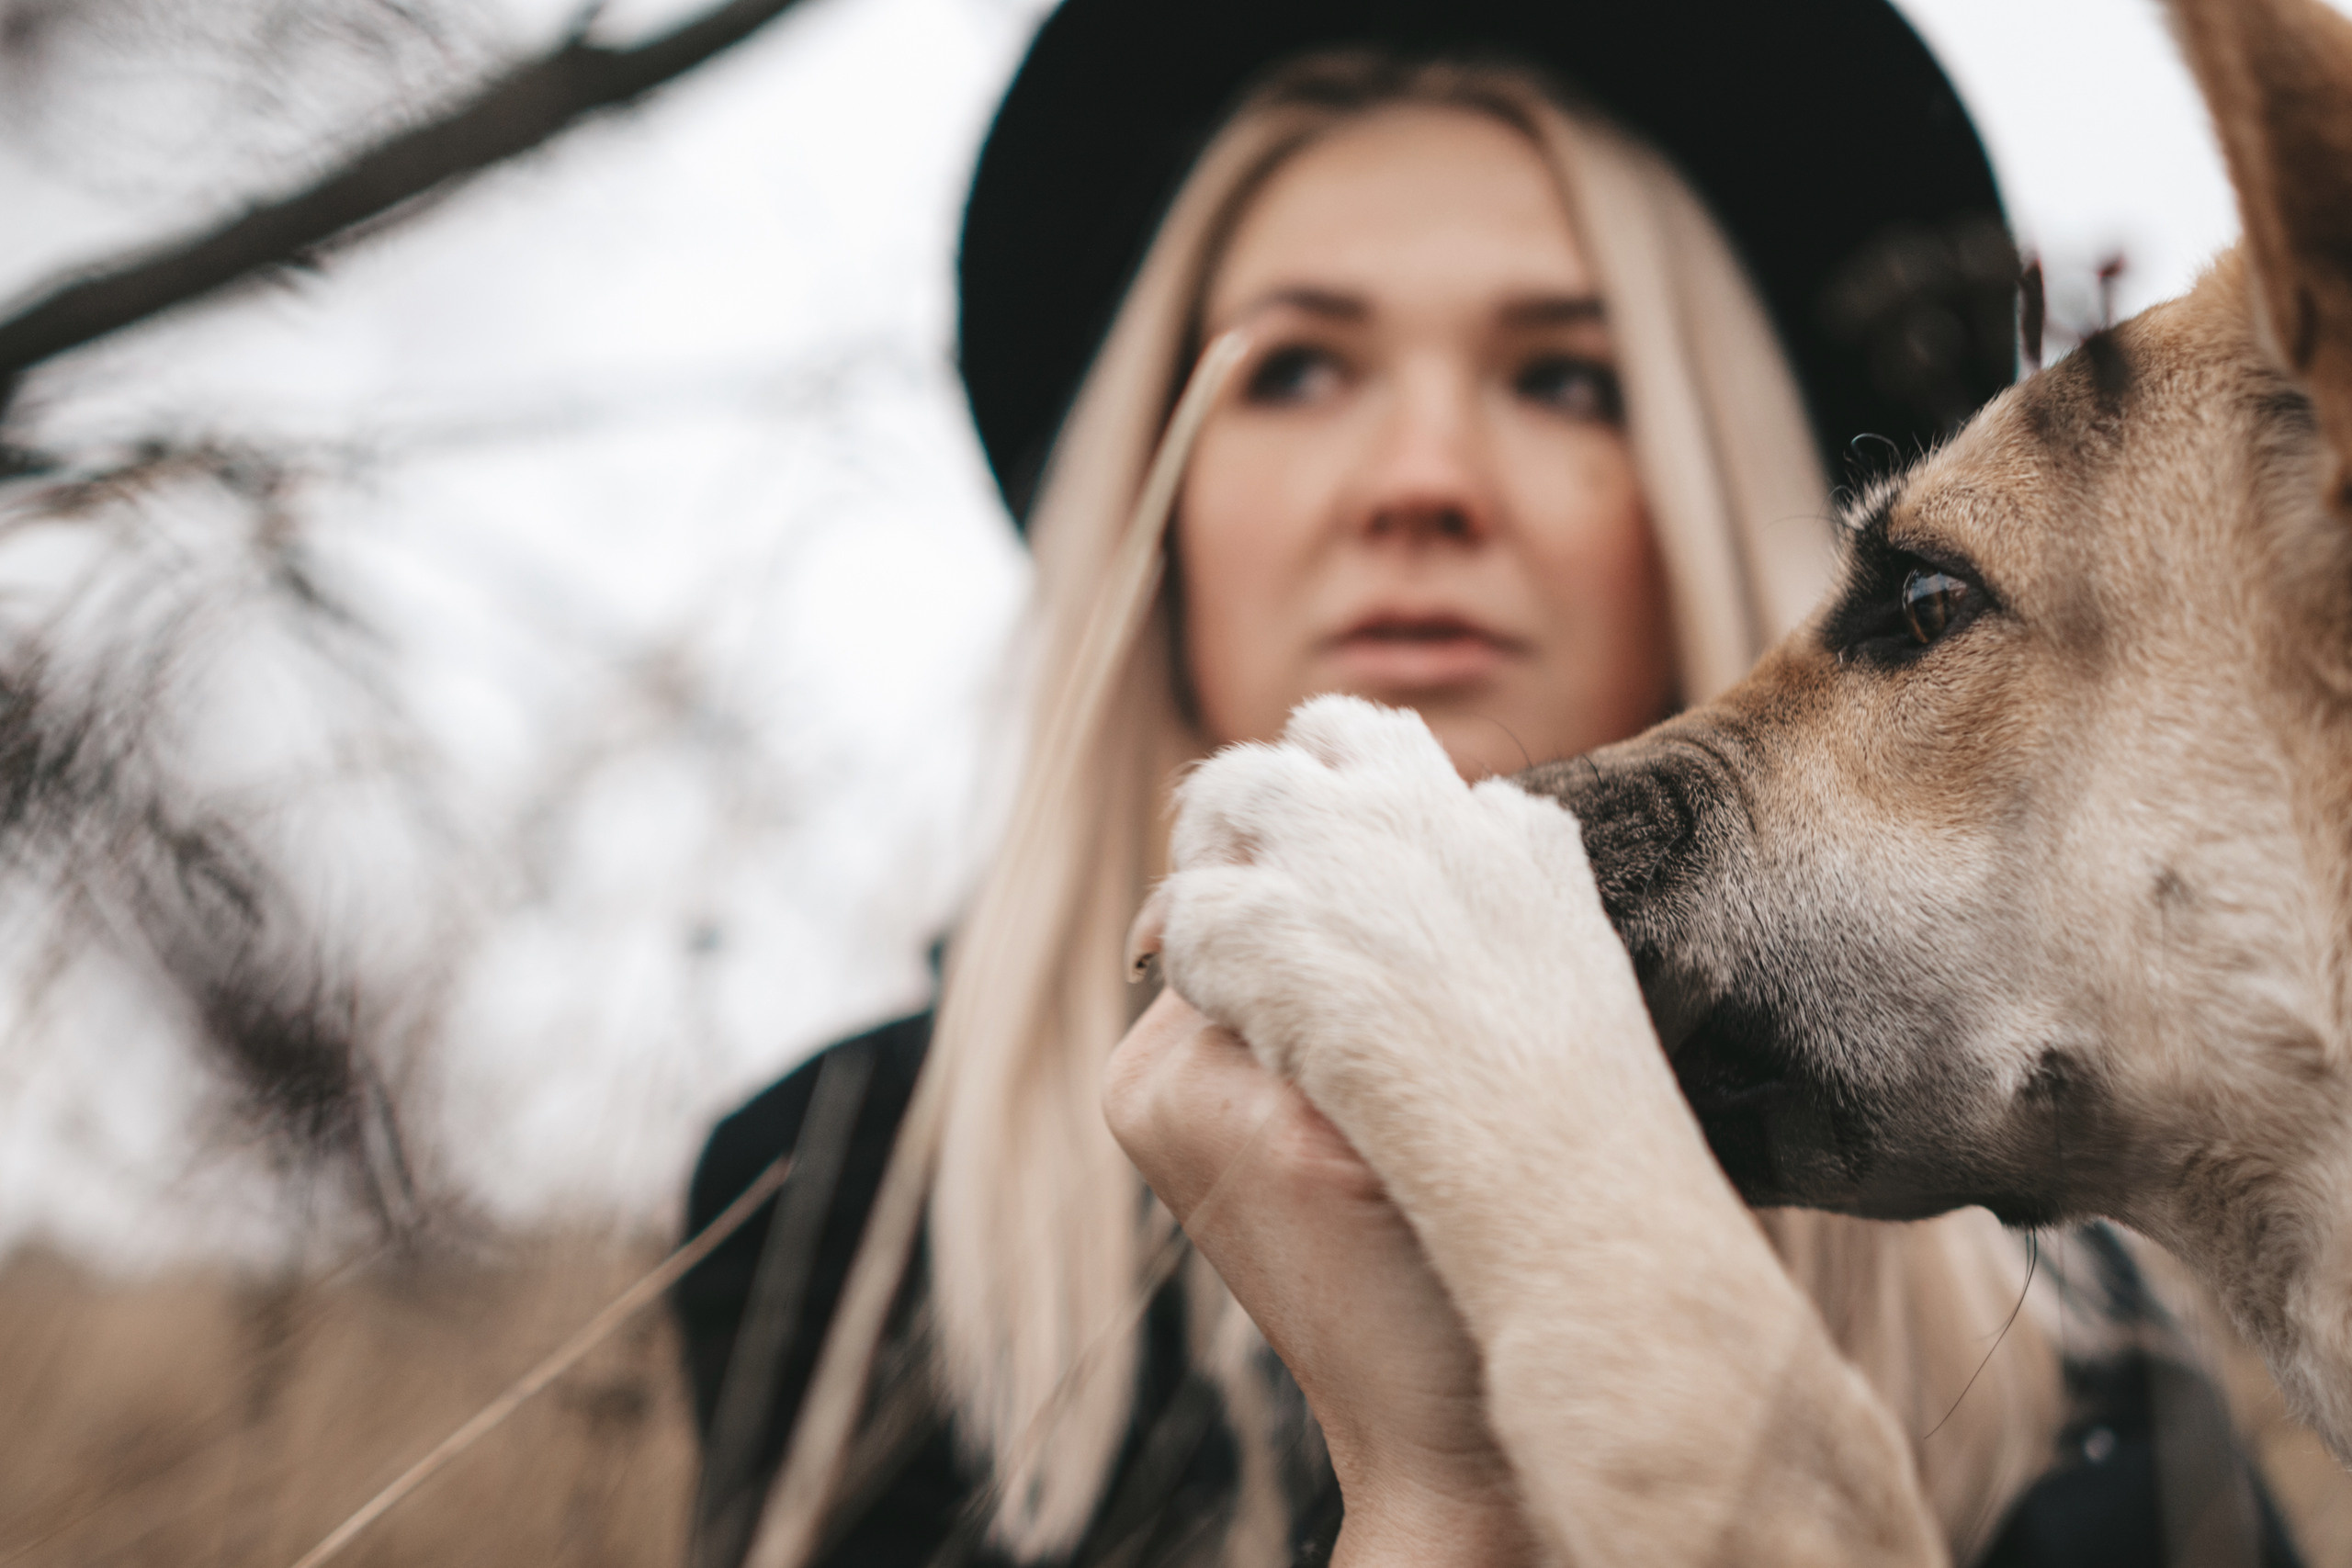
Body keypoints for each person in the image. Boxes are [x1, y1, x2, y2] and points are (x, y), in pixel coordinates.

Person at [673, 5, 2301, 1566]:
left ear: (1701, 478)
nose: (1423, 481)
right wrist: (1453, 1508)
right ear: (1153, 514)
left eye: (1564, 379)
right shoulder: (832, 1209)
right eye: (1294, 371)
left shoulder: (2094, 1349)